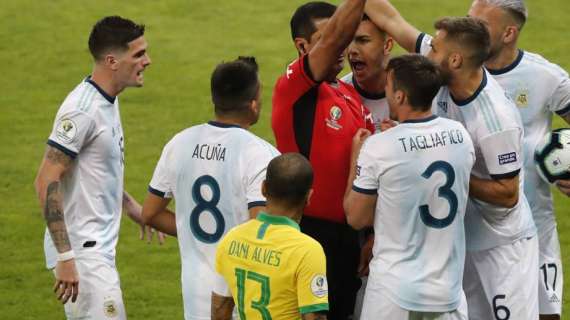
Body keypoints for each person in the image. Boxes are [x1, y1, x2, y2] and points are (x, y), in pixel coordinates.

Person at [364, 1, 539, 318]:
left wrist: (449, 166)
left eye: (434, 50)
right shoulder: (440, 74)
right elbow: (391, 19)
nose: (426, 55)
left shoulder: (495, 121)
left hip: (502, 249)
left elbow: (508, 194)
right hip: (459, 242)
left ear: (455, 60)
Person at [141, 56, 279, 320]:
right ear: (253, 104)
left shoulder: (179, 143)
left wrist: (191, 231)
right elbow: (260, 231)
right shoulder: (260, 154)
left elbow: (150, 213)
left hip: (195, 295)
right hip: (243, 297)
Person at [34, 16, 152, 319]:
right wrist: (66, 256)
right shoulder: (83, 110)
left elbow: (92, 169)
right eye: (138, 54)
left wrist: (128, 205)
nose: (147, 61)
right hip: (83, 254)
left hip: (94, 248)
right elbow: (46, 178)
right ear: (112, 61)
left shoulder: (107, 100)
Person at [344, 53, 474, 319]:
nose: (385, 91)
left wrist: (357, 157)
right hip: (448, 293)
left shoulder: (379, 147)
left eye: (389, 87)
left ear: (400, 96)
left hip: (394, 295)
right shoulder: (460, 135)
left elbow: (357, 217)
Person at [271, 2, 374, 318]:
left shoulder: (349, 94)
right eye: (330, 37)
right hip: (307, 231)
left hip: (348, 238)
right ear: (302, 46)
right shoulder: (294, 86)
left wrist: (370, 235)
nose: (343, 46)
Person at [468, 1, 570, 318]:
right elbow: (397, 25)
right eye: (468, 21)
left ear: (509, 32)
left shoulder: (545, 77)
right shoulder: (455, 68)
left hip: (535, 227)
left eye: (480, 25)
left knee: (546, 316)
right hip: (471, 232)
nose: (469, 31)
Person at [212, 153, 328, 320]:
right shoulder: (308, 251)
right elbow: (314, 317)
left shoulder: (232, 238)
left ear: (263, 188)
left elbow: (220, 308)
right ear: (309, 197)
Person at [341, 14, 393, 132]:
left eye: (363, 40)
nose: (351, 50)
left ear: (387, 45)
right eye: (348, 40)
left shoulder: (413, 93)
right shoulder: (339, 96)